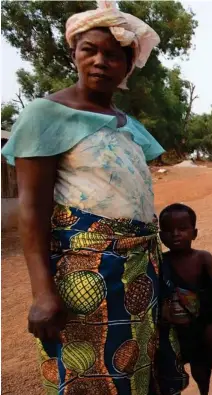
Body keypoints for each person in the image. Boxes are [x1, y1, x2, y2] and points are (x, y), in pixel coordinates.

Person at [0, 3, 166, 394]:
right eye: (89, 49)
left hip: (139, 273)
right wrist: (43, 292)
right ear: (74, 53)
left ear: (128, 65)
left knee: (134, 370)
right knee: (87, 374)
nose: (100, 61)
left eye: (113, 55)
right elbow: (31, 211)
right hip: (84, 276)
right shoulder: (47, 115)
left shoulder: (129, 126)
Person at [157, 204, 212, 395]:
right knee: (169, 375)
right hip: (174, 333)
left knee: (203, 372)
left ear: (194, 233)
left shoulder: (202, 258)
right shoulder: (160, 262)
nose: (175, 234)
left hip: (201, 328)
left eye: (182, 229)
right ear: (161, 236)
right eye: (169, 230)